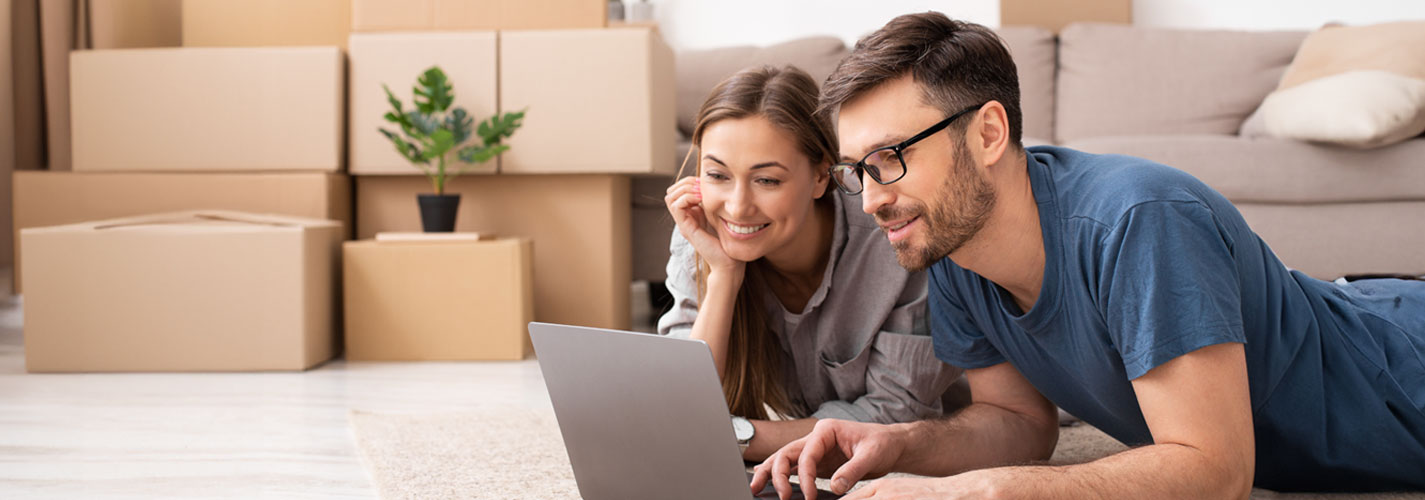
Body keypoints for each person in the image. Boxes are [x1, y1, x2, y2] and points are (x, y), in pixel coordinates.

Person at [750, 12, 1425, 499]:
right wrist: (898, 447)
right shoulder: (950, 245)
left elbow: (1215, 472)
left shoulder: (1137, 221)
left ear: (988, 132)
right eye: (855, 172)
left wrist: (981, 493)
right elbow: (1016, 424)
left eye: (890, 159)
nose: (869, 201)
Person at [658, 65, 968, 462]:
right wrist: (724, 276)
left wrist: (735, 438)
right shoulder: (703, 232)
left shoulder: (893, 237)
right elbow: (677, 407)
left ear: (822, 175)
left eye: (767, 180)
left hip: (966, 429)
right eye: (717, 175)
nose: (737, 207)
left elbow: (894, 416)